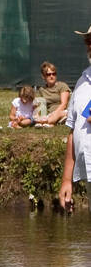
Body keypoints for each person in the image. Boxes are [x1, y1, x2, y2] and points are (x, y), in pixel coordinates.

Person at [59, 25, 91, 217]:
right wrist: (66, 180)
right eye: (88, 40)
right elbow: (73, 131)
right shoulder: (82, 81)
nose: (89, 45)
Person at [34, 62, 70, 126]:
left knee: (58, 114)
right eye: (48, 74)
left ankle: (45, 122)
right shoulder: (41, 89)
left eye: (54, 74)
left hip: (63, 112)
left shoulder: (62, 86)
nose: (51, 76)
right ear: (43, 76)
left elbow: (64, 104)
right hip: (49, 114)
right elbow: (39, 105)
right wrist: (37, 115)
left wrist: (54, 114)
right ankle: (50, 123)